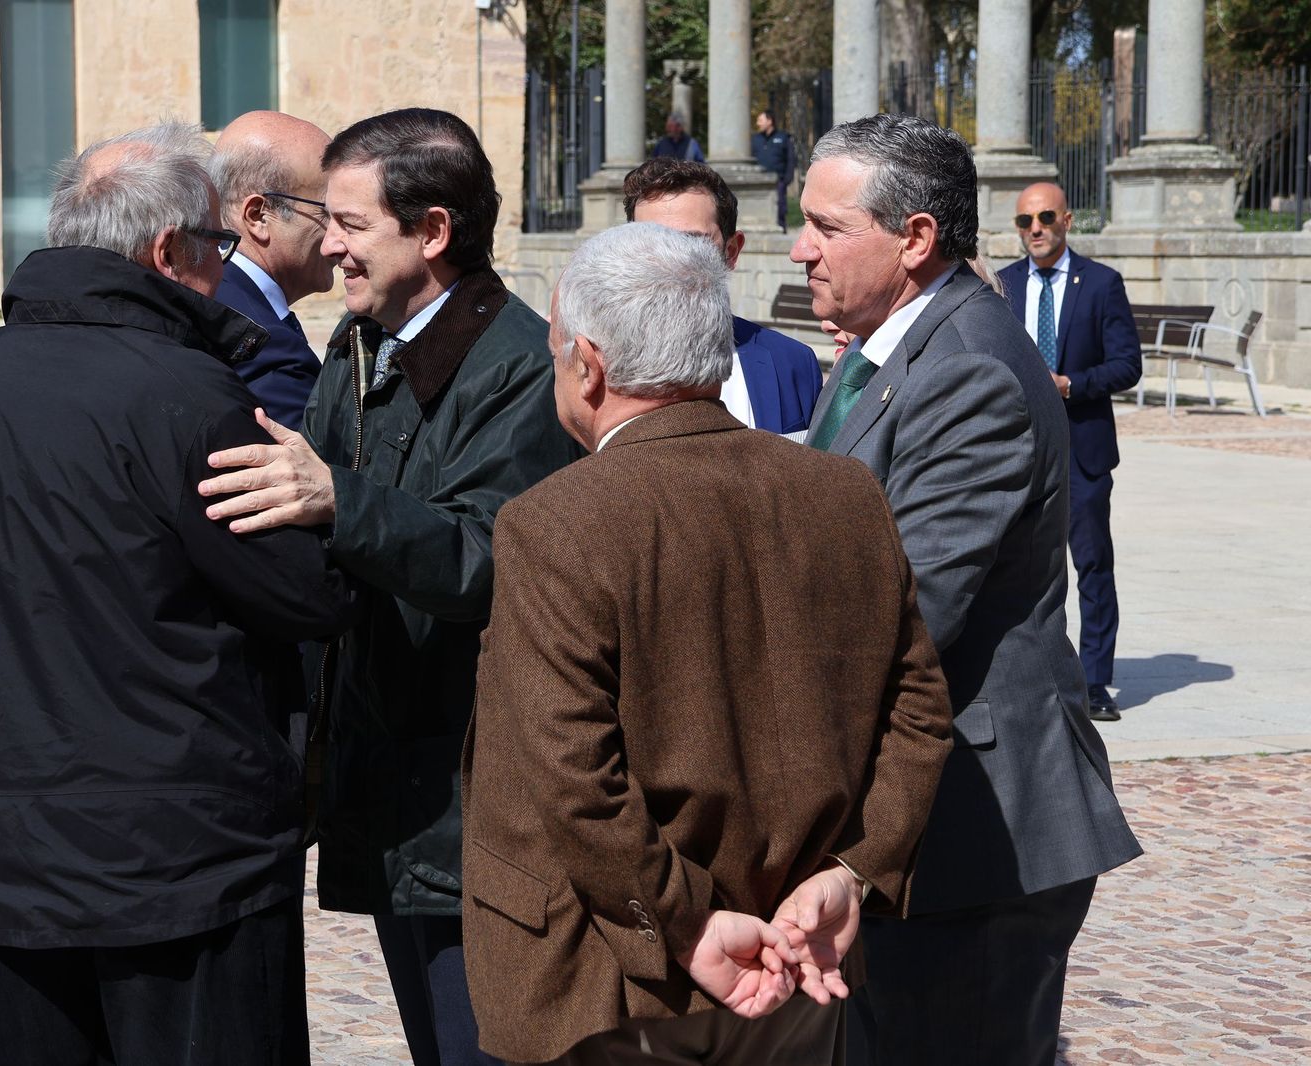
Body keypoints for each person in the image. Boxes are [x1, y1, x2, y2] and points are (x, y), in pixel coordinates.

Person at [0, 121, 352, 1065]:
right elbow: (306, 598)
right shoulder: (188, 393)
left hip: (16, 862)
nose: (224, 267)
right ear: (169, 252)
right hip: (190, 869)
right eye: (217, 246)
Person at [461, 221, 955, 1066]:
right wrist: (853, 872)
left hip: (617, 980)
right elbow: (920, 716)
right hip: (796, 955)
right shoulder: (842, 491)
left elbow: (573, 777)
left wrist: (685, 920)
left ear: (590, 363)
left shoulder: (555, 523)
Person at [196, 107, 583, 1066]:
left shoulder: (517, 370)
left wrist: (338, 500)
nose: (328, 249)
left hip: (472, 802)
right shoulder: (360, 344)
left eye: (351, 225)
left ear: (435, 232)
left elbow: (490, 561)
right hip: (389, 789)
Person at [792, 114, 1142, 1066]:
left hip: (978, 830)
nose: (801, 248)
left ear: (914, 239)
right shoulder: (884, 348)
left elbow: (900, 614)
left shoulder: (968, 368)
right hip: (923, 827)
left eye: (827, 227)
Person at [998, 182, 1142, 723]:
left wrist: (1070, 385)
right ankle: (1028, 676)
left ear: (1067, 220)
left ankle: (1097, 680)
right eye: (1023, 221)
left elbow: (1128, 365)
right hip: (1016, 448)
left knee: (1092, 563)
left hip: (1082, 449)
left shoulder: (1101, 284)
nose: (1034, 228)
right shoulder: (1003, 285)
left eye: (1044, 216)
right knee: (1018, 567)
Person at [622, 158, 823, 436]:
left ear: (731, 251)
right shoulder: (592, 370)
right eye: (649, 243)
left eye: (690, 242)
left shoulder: (791, 364)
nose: (667, 261)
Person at [210, 110, 335, 429]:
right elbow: (311, 471)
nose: (340, 236)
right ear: (259, 216)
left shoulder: (214, 293)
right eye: (329, 213)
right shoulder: (263, 345)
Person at [751, 111, 796, 231]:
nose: (758, 123)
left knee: (780, 210)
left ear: (769, 121)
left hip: (778, 183)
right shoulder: (755, 139)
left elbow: (791, 159)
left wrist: (787, 179)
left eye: (760, 120)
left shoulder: (783, 137)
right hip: (757, 183)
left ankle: (781, 233)